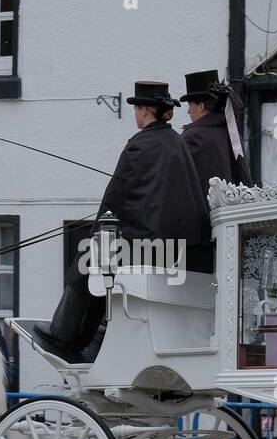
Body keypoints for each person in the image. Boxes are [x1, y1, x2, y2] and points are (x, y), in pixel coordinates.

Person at [34, 80, 210, 363]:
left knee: (88, 260)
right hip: (177, 251)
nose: (135, 114)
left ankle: (66, 337)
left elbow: (114, 201)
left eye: (136, 108)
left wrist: (96, 236)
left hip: (147, 250)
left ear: (144, 110)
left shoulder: (139, 146)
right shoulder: (177, 143)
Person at [179, 69, 253, 199]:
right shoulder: (231, 132)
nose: (188, 111)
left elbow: (182, 183)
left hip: (205, 214)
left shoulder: (192, 137)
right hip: (233, 211)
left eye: (190, 105)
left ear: (201, 106)